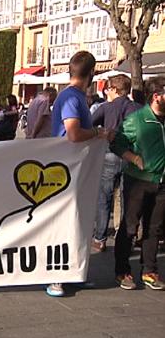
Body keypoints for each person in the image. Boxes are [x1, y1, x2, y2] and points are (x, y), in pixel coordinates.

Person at [48, 50, 111, 297]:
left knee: (75, 222)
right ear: (91, 73)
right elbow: (73, 134)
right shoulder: (72, 98)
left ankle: (71, 273)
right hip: (67, 170)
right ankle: (55, 277)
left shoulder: (72, 96)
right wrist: (98, 133)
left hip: (74, 169)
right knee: (64, 222)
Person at [110, 76, 165, 291]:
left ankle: (150, 270)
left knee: (154, 228)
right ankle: (122, 270)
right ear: (157, 96)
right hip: (138, 182)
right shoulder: (137, 119)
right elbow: (116, 143)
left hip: (161, 183)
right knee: (130, 227)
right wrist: (133, 158)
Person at [91, 74, 141, 252]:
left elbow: (89, 124)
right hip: (130, 157)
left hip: (110, 154)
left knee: (104, 197)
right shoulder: (137, 108)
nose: (106, 92)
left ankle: (100, 238)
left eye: (108, 89)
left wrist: (101, 132)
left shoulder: (106, 107)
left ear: (114, 90)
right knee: (126, 197)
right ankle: (126, 235)